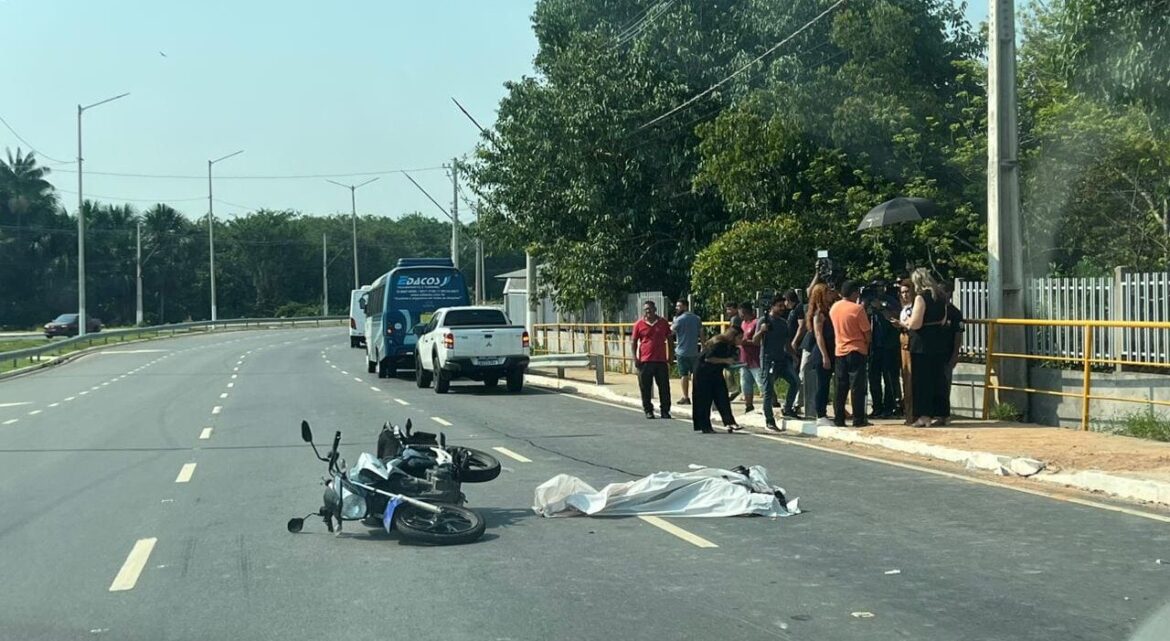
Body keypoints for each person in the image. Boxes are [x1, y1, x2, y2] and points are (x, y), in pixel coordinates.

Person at [901, 269, 951, 427]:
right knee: (939, 379)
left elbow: (916, 323)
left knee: (923, 381)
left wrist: (905, 322)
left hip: (922, 343)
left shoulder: (921, 298)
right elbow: (943, 320)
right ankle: (942, 414)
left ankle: (925, 415)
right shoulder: (941, 296)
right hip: (939, 341)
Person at [830, 281, 872, 427]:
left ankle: (839, 417)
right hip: (856, 349)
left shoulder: (834, 308)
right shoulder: (857, 309)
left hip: (840, 350)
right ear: (854, 293)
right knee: (857, 386)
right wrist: (867, 344)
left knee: (841, 386)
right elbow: (867, 332)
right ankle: (858, 419)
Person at [756, 295, 801, 431]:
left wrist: (793, 355)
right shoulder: (763, 321)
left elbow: (787, 343)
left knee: (795, 382)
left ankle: (788, 408)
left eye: (783, 306)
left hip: (782, 359)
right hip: (768, 360)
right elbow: (755, 341)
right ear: (772, 306)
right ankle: (769, 420)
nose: (782, 308)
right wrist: (761, 331)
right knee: (768, 391)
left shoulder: (783, 323)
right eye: (779, 306)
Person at [692, 325, 743, 434]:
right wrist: (725, 360)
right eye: (739, 338)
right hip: (703, 372)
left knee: (722, 396)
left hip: (715, 372)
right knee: (704, 399)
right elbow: (709, 358)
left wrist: (733, 362)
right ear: (732, 337)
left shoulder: (731, 347)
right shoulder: (719, 343)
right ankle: (705, 426)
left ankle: (730, 422)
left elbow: (728, 360)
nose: (741, 340)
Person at [631, 300, 672, 420]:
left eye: (650, 309)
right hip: (645, 361)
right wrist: (635, 358)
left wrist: (670, 356)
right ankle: (648, 410)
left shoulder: (663, 323)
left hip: (660, 360)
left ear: (655, 309)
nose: (648, 311)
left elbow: (669, 340)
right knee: (645, 387)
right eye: (646, 309)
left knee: (664, 387)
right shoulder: (639, 324)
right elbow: (633, 342)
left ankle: (665, 410)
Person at [867, 283, 902, 419]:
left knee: (889, 378)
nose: (878, 290)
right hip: (874, 345)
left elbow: (895, 316)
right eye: (875, 287)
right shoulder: (867, 301)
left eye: (880, 286)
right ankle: (877, 407)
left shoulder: (890, 301)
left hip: (889, 344)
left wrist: (881, 308)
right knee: (873, 377)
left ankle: (890, 406)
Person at [807, 284, 838, 425]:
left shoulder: (829, 310)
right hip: (822, 353)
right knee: (822, 384)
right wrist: (825, 355)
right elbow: (819, 335)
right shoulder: (819, 313)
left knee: (827, 383)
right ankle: (820, 414)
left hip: (831, 350)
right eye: (826, 293)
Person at [670, 299, 702, 406]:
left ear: (684, 306)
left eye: (678, 306)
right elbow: (701, 333)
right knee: (695, 375)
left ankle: (686, 397)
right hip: (694, 351)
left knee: (684, 375)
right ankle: (697, 395)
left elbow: (671, 332)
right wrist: (704, 345)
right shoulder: (697, 318)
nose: (676, 308)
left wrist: (673, 322)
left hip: (681, 351)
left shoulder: (679, 320)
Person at [941, 282, 964, 424]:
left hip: (947, 354)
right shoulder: (935, 310)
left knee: (945, 384)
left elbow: (958, 335)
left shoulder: (954, 312)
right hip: (934, 353)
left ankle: (945, 414)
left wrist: (955, 355)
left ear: (949, 293)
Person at [785, 289, 809, 417]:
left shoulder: (799, 308)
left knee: (797, 374)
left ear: (788, 300)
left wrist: (794, 342)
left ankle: (796, 403)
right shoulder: (793, 310)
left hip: (797, 346)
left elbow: (802, 326)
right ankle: (794, 402)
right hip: (793, 345)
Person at [738, 302, 763, 413]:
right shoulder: (743, 324)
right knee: (745, 383)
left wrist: (745, 342)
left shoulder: (756, 323)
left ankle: (773, 402)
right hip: (744, 358)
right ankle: (748, 405)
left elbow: (758, 342)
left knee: (761, 383)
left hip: (755, 358)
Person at [897, 279, 915, 424]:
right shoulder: (904, 308)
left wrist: (902, 325)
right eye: (902, 292)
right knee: (906, 379)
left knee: (912, 380)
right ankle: (908, 413)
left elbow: (912, 325)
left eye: (907, 291)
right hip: (902, 344)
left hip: (911, 344)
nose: (905, 295)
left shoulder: (915, 307)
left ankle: (913, 414)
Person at [722, 301, 742, 401]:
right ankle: (735, 389)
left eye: (729, 309)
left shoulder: (735, 319)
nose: (728, 311)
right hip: (736, 345)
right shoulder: (736, 318)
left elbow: (733, 332)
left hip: (733, 346)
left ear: (735, 309)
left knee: (728, 367)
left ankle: (733, 389)